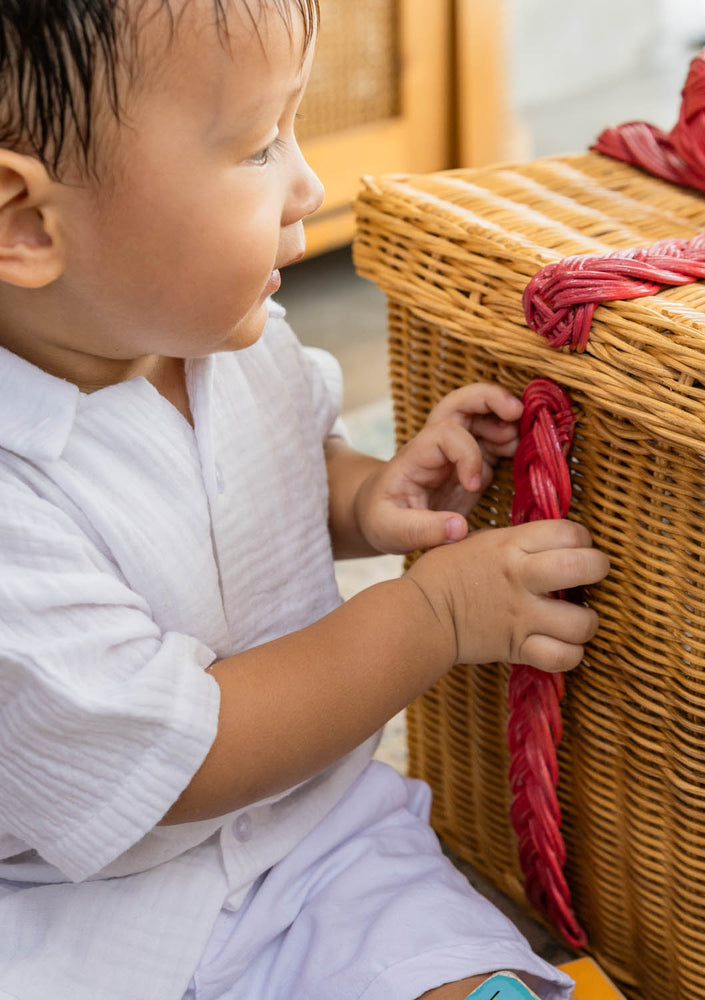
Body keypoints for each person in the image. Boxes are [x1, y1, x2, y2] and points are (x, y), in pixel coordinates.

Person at [0, 2, 610, 999]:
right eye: (255, 147)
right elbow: (184, 760)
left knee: (468, 973)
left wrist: (367, 495)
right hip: (82, 924)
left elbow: (277, 466)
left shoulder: (232, 336)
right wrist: (432, 616)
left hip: (323, 844)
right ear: (28, 223)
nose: (309, 183)